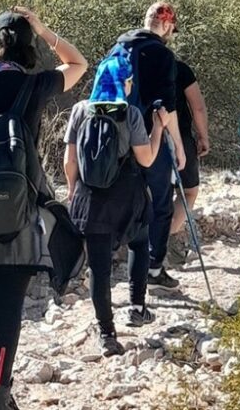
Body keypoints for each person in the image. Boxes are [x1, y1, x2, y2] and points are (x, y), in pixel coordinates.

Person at [0, 7, 87, 410]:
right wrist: (44, 30)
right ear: (27, 48)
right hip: (23, 208)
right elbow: (78, 64)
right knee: (10, 301)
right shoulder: (35, 85)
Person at [64, 54, 165, 356]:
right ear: (124, 82)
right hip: (127, 197)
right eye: (129, 80)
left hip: (91, 199)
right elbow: (146, 159)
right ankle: (137, 307)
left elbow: (70, 160)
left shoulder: (80, 110)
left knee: (99, 268)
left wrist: (72, 190)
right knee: (140, 242)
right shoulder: (129, 113)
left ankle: (107, 333)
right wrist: (158, 129)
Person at [113, 1, 186, 291]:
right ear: (166, 25)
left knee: (123, 200)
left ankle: (107, 264)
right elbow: (167, 109)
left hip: (115, 139)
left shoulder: (119, 47)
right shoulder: (162, 54)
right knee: (160, 204)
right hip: (149, 138)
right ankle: (153, 268)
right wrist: (178, 145)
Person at [164, 59, 210, 268]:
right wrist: (203, 136)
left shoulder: (132, 64)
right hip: (180, 139)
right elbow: (197, 107)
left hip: (143, 139)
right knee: (189, 192)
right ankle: (169, 238)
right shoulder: (179, 68)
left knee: (155, 194)